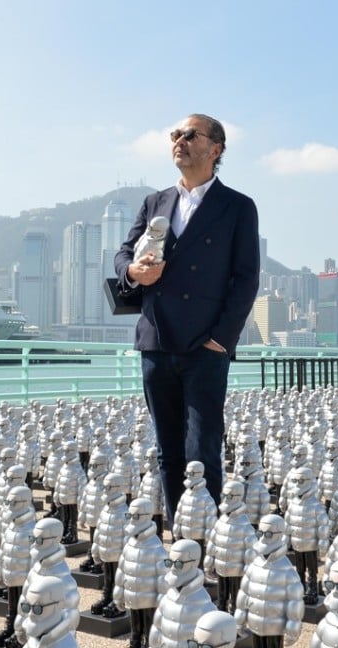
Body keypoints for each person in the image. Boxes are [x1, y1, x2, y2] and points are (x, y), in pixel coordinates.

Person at [114, 113, 260, 523]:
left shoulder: (237, 207)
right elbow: (124, 254)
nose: (179, 140)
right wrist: (133, 272)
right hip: (156, 341)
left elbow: (246, 279)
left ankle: (208, 539)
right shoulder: (154, 202)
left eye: (190, 134)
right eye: (175, 134)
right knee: (168, 450)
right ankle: (181, 538)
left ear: (215, 149)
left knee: (202, 448)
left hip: (204, 346)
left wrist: (220, 340)